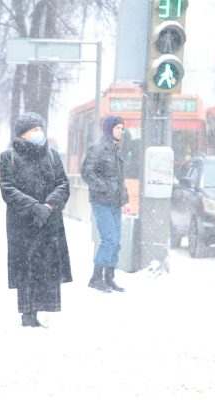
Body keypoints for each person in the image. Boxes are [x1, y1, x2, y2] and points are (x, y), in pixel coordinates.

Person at [0, 112, 72, 327]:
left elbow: (63, 184)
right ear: (23, 133)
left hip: (50, 222)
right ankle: (28, 314)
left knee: (47, 268)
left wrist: (49, 205)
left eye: (41, 129)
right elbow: (7, 188)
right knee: (26, 267)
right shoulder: (8, 156)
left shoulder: (52, 155)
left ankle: (43, 309)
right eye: (34, 129)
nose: (39, 133)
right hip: (22, 223)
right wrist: (33, 206)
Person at [81, 115, 131, 293]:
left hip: (115, 203)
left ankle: (109, 278)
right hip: (101, 202)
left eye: (122, 128)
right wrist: (105, 187)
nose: (121, 131)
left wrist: (124, 200)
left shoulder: (116, 151)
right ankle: (96, 278)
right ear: (109, 129)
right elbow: (86, 173)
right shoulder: (98, 149)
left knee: (116, 242)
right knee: (109, 239)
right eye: (118, 127)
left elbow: (119, 180)